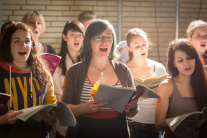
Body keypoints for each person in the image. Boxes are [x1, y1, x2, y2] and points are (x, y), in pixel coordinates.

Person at [61, 19, 139, 138]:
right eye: (98, 37)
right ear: (88, 42)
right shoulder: (75, 71)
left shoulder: (123, 70)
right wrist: (84, 108)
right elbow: (64, 110)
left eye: (108, 37)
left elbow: (133, 112)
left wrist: (132, 106)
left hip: (117, 129)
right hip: (85, 129)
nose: (104, 42)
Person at [0, 22, 57, 137]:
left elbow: (51, 106)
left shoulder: (43, 73)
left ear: (32, 44)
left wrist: (51, 119)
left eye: (27, 41)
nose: (24, 45)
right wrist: (2, 120)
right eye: (17, 41)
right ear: (8, 45)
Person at [155, 38, 207, 137]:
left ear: (195, 58)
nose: (186, 63)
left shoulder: (204, 83)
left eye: (189, 58)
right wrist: (182, 123)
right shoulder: (166, 86)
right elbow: (159, 124)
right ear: (174, 63)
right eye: (180, 60)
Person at [126, 28, 166, 138]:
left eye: (144, 44)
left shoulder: (159, 68)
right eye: (137, 46)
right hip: (132, 127)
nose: (143, 49)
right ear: (129, 48)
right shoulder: (124, 69)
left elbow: (164, 98)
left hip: (155, 128)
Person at [52, 20, 84, 137]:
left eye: (80, 34)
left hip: (87, 120)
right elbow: (56, 96)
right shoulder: (57, 64)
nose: (77, 38)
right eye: (73, 34)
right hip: (66, 122)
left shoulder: (88, 62)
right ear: (64, 37)